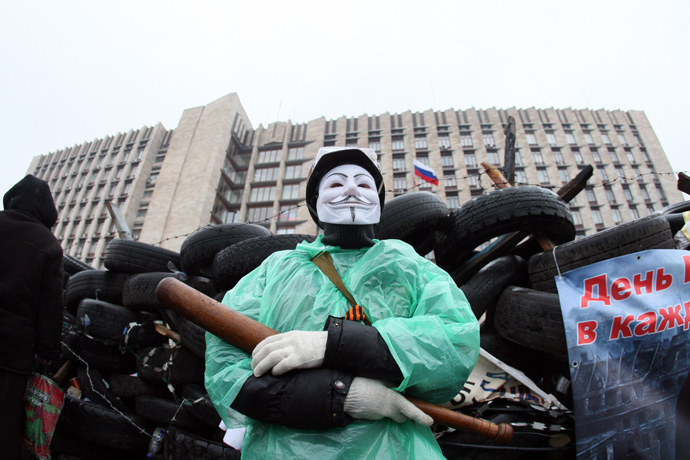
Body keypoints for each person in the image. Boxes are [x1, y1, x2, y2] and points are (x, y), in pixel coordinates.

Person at [205, 147, 479, 459]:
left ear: (378, 202)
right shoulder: (275, 269)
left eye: (363, 184)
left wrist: (331, 346)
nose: (350, 189)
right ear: (315, 204)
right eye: (335, 184)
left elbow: (454, 343)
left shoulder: (409, 266)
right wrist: (341, 396)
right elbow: (226, 368)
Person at [0, 175, 64, 459]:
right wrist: (48, 350)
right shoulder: (48, 245)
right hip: (12, 351)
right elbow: (51, 304)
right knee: (5, 422)